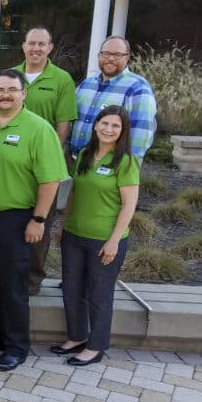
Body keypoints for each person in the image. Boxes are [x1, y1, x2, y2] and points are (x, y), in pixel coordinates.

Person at [0, 70, 68, 372]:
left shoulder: (38, 129)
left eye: (11, 89)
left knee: (12, 287)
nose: (4, 94)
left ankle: (16, 347)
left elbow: (50, 181)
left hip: (15, 219)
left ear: (24, 94)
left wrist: (39, 220)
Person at [54, 106, 139, 366]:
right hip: (75, 234)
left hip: (104, 239)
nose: (108, 129)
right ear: (95, 125)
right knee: (72, 287)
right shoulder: (84, 156)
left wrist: (114, 240)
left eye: (115, 126)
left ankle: (96, 345)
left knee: (99, 293)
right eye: (104, 123)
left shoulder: (125, 162)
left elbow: (128, 205)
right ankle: (77, 336)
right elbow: (75, 194)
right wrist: (63, 225)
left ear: (122, 131)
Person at [14, 26, 78, 295]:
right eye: (32, 43)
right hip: (14, 161)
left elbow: (63, 125)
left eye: (42, 44)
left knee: (40, 222)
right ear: (24, 46)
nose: (36, 48)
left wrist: (49, 156)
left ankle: (32, 279)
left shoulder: (61, 80)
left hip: (43, 165)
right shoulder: (12, 76)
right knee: (15, 221)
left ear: (50, 47)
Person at [70, 36, 157, 163]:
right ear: (99, 55)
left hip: (109, 167)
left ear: (127, 57)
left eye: (118, 55)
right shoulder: (86, 85)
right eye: (106, 54)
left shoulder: (138, 88)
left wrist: (127, 168)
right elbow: (71, 122)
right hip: (75, 163)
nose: (111, 58)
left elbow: (140, 135)